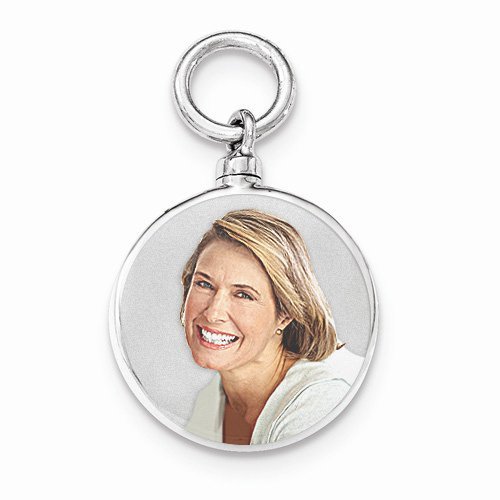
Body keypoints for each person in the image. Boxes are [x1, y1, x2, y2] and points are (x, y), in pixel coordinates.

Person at [181, 209, 354, 445]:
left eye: (243, 295)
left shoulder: (320, 406)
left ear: (285, 315)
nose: (213, 313)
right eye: (204, 284)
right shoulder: (210, 401)